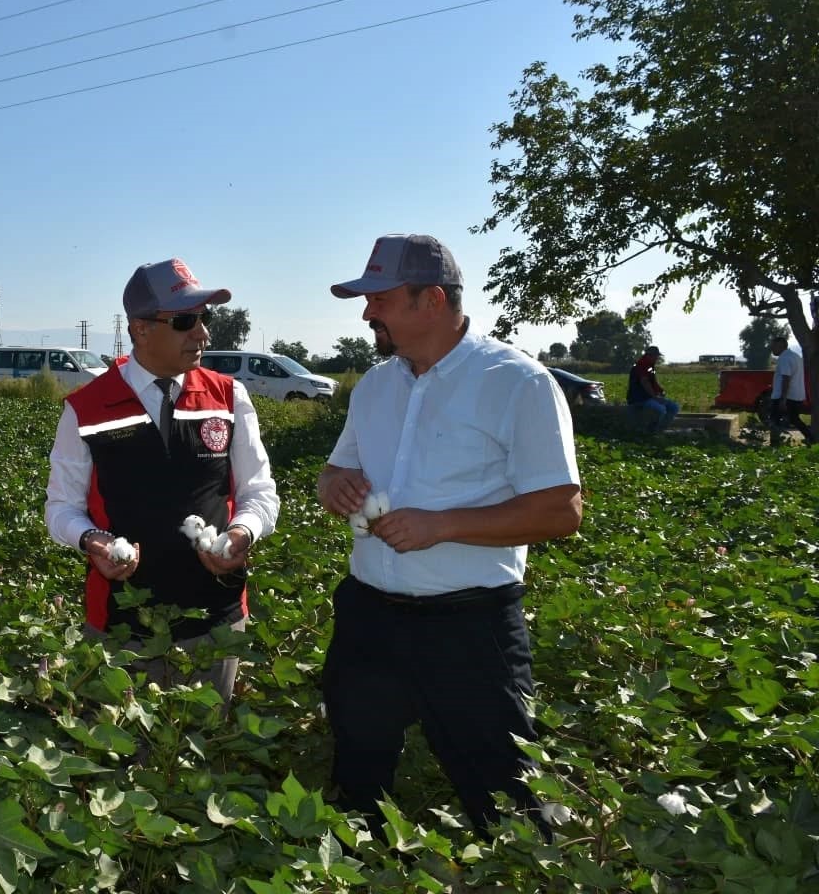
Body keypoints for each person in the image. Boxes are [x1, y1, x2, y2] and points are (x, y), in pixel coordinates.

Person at [316, 233, 582, 833]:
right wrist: (333, 487)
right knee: (358, 774)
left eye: (379, 300)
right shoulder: (376, 386)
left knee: (506, 789)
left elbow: (562, 510)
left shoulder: (518, 383)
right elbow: (336, 470)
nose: (366, 313)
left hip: (469, 626)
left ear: (431, 300)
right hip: (368, 619)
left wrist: (443, 526)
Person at [44, 259, 279, 703]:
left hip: (217, 619)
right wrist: (92, 539)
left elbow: (258, 492)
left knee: (204, 750)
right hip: (121, 625)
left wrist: (243, 531)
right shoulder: (86, 407)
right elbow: (60, 508)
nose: (203, 333)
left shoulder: (229, 397)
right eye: (185, 321)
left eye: (204, 318)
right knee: (123, 757)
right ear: (141, 329)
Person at [769, 334, 814, 446]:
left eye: (773, 346)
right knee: (794, 419)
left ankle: (775, 444)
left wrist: (783, 399)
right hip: (796, 395)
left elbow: (786, 378)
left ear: (781, 346)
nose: (772, 349)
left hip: (785, 396)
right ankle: (810, 439)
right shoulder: (795, 356)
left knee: (774, 419)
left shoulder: (784, 358)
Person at [627, 345, 679, 431]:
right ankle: (653, 431)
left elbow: (653, 382)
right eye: (656, 356)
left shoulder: (650, 366)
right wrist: (655, 397)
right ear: (649, 355)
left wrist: (660, 390)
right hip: (639, 398)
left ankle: (662, 429)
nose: (657, 358)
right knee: (661, 409)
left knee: (674, 407)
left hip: (649, 397)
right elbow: (645, 382)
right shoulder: (641, 365)